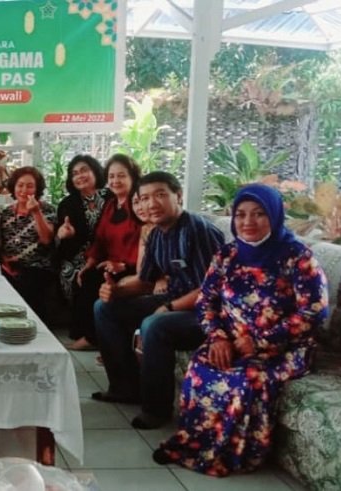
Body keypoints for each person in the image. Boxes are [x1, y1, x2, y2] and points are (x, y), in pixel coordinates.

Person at [154, 184, 328, 476]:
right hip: (232, 341)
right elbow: (206, 301)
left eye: (259, 214)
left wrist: (260, 341)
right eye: (241, 214)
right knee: (201, 365)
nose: (248, 222)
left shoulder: (298, 257)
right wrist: (218, 337)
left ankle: (234, 455)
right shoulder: (228, 255)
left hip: (284, 348)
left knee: (247, 378)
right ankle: (194, 443)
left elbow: (314, 311)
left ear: (274, 215)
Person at [91, 171, 225, 430]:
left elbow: (210, 289)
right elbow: (145, 282)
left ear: (178, 196)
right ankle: (124, 388)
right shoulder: (156, 234)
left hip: (210, 313)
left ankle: (156, 410)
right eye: (144, 198)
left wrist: (169, 307)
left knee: (154, 325)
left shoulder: (198, 230)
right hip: (174, 299)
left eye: (160, 195)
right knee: (105, 308)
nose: (151, 204)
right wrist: (115, 291)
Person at [69, 154, 142, 350]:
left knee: (96, 282)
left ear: (132, 177)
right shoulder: (111, 204)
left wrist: (123, 265)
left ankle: (96, 340)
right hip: (110, 263)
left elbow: (143, 240)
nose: (115, 181)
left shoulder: (138, 204)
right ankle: (89, 336)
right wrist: (89, 263)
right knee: (85, 277)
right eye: (112, 176)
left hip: (133, 266)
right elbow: (100, 238)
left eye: (121, 176)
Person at [0, 166, 56, 324]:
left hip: (37, 266)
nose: (24, 190)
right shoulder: (6, 212)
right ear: (14, 187)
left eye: (30, 186)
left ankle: (36, 329)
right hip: (8, 266)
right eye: (20, 185)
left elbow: (47, 239)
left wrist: (36, 213)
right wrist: (5, 261)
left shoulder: (47, 210)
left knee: (29, 283)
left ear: (37, 189)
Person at [54, 155, 110, 304]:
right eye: (75, 173)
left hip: (107, 254)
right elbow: (59, 235)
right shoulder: (67, 204)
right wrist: (64, 234)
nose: (80, 176)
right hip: (76, 256)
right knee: (71, 273)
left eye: (84, 170)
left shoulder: (111, 198)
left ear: (95, 171)